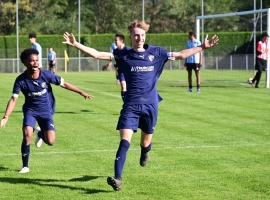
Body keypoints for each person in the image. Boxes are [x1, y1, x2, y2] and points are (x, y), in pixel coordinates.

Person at [62, 20, 219, 191]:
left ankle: (145, 151)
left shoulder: (157, 53)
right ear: (130, 36)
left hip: (151, 106)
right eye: (136, 35)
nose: (139, 38)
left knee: (145, 143)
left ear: (145, 36)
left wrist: (202, 47)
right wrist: (75, 43)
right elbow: (97, 54)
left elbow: (181, 54)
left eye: (142, 35)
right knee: (124, 141)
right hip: (130, 106)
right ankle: (118, 178)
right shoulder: (123, 54)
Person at [0, 48, 93, 174]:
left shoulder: (46, 75)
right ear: (25, 63)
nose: (35, 63)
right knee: (27, 135)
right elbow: (13, 100)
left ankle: (40, 134)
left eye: (37, 60)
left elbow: (64, 84)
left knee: (51, 141)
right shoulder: (20, 80)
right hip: (30, 111)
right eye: (32, 61)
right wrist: (6, 116)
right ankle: (25, 166)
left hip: (46, 111)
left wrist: (81, 92)